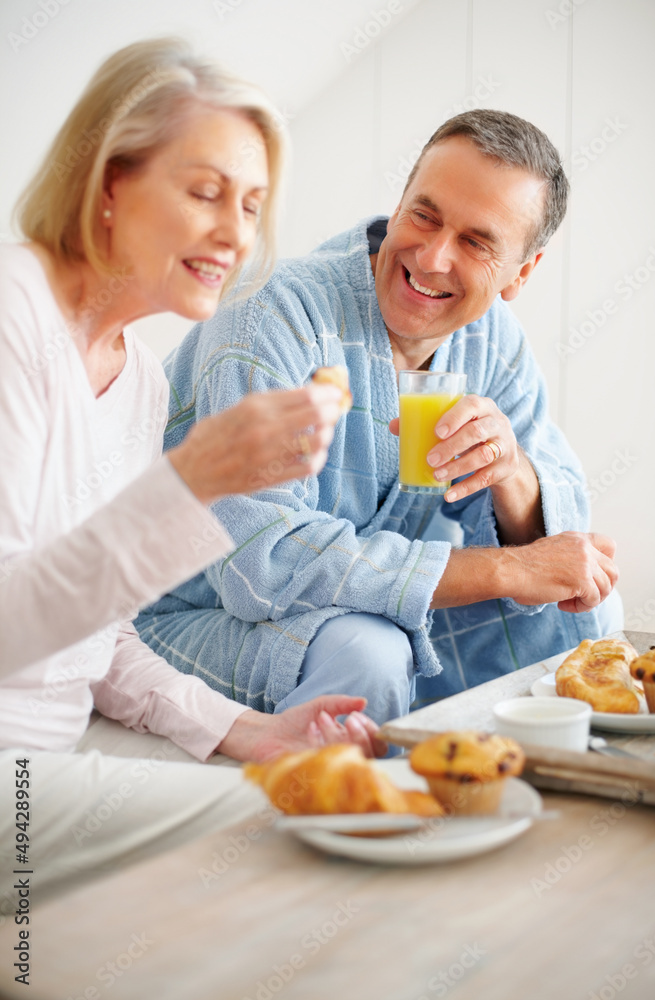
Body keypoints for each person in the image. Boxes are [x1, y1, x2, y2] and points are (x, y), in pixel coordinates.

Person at [0, 37, 385, 909]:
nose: (235, 235)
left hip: (45, 763)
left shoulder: (138, 377)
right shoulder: (12, 315)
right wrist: (189, 482)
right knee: (289, 831)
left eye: (250, 205)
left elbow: (97, 642)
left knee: (326, 802)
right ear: (107, 182)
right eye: (205, 192)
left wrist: (252, 731)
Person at [136, 109, 620, 720]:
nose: (433, 256)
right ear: (399, 204)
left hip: (351, 601)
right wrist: (505, 568)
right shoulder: (273, 316)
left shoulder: (494, 344)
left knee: (589, 613)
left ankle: (505, 793)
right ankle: (350, 808)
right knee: (370, 654)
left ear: (521, 272)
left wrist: (514, 473)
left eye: (476, 242)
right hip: (189, 613)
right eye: (425, 214)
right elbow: (264, 566)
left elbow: (561, 539)